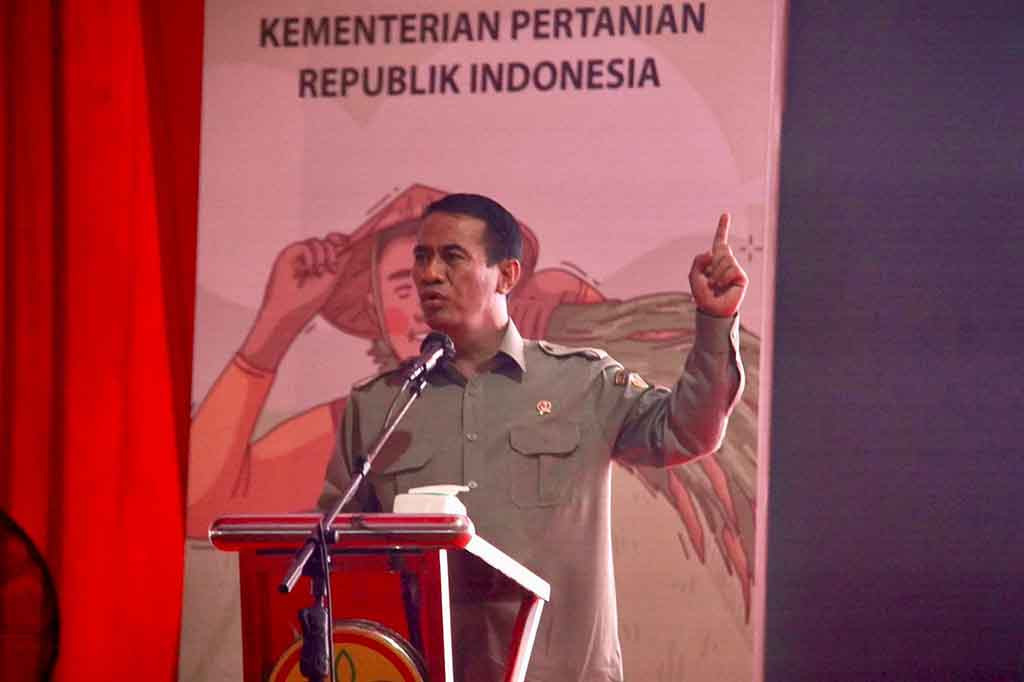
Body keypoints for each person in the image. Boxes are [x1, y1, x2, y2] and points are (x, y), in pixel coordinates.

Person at [317, 193, 747, 681]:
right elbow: (336, 551)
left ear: (507, 275)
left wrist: (716, 322)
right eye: (422, 257)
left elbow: (687, 432)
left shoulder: (581, 382)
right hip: (422, 670)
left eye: (452, 257)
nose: (430, 274)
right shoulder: (381, 405)